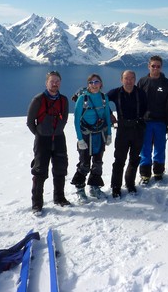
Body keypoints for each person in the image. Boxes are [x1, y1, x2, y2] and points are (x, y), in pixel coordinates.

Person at [26, 71, 70, 215]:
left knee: (60, 169)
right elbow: (30, 122)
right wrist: (40, 133)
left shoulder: (63, 100)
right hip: (42, 140)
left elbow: (64, 118)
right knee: (39, 171)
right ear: (46, 83)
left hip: (58, 138)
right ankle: (37, 204)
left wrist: (56, 130)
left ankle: (59, 198)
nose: (55, 83)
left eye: (57, 81)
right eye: (52, 81)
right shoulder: (38, 100)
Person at [70, 73, 112, 203]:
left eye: (96, 82)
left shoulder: (104, 98)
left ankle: (94, 187)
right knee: (84, 163)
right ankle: (80, 189)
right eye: (91, 82)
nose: (94, 85)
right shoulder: (82, 99)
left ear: (101, 84)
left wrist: (109, 134)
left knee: (98, 163)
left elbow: (107, 117)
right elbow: (76, 120)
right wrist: (79, 139)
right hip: (86, 135)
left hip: (99, 135)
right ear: (88, 85)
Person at [107, 70, 148, 199]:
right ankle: (116, 187)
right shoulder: (116, 92)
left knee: (134, 159)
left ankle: (130, 183)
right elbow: (101, 101)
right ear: (121, 80)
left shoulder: (140, 93)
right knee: (119, 160)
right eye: (126, 78)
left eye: (131, 78)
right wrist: (109, 114)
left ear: (135, 80)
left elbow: (146, 108)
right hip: (123, 130)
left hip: (137, 129)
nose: (129, 81)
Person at [137, 55, 168, 185]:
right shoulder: (142, 82)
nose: (155, 68)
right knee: (145, 148)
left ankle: (158, 172)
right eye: (153, 66)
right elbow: (138, 102)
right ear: (149, 66)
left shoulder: (167, 83)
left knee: (160, 147)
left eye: (158, 66)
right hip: (145, 121)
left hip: (160, 121)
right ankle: (145, 174)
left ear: (161, 67)